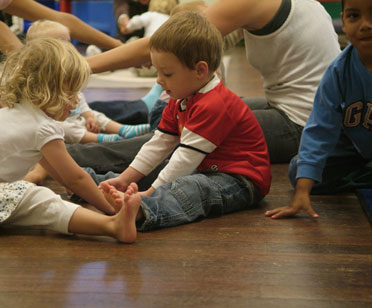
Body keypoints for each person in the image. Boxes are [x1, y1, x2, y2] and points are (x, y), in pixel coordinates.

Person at [0, 38, 140, 243]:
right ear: (50, 92)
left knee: (30, 194)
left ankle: (109, 221)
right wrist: (107, 208)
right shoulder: (43, 127)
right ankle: (111, 225)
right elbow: (76, 177)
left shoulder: (20, 111)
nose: (75, 105)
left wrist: (88, 192)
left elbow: (61, 172)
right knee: (35, 197)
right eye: (71, 96)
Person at [78, 0, 341, 165]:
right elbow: (201, 47)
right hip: (307, 115)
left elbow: (161, 44)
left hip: (304, 127)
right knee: (185, 119)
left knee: (188, 136)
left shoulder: (251, 3)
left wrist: (82, 67)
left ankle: (70, 158)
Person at [94, 11, 271, 231]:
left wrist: (149, 194)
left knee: (191, 187)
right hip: (205, 167)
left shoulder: (214, 103)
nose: (159, 81)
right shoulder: (181, 96)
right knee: (162, 167)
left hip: (241, 181)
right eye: (157, 71)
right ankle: (101, 184)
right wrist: (126, 178)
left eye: (167, 74)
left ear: (200, 70)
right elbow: (159, 143)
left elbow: (185, 159)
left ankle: (143, 209)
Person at [265, 0, 372, 219]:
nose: (365, 25)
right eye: (354, 16)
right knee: (298, 170)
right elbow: (319, 129)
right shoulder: (338, 72)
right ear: (343, 21)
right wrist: (302, 191)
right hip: (353, 146)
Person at [26, 20, 151, 144]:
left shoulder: (68, 71)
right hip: (62, 123)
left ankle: (123, 129)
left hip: (75, 116)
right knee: (64, 129)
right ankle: (102, 139)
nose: (70, 47)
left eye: (69, 42)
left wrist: (88, 115)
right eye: (64, 43)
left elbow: (79, 96)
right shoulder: (39, 79)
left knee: (97, 115)